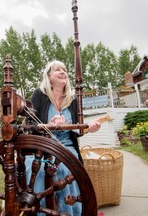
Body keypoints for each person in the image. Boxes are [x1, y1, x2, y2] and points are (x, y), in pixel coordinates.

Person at [26, 60, 101, 215]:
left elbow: (77, 129)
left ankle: (70, 211)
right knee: (38, 169)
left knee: (67, 167)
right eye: (57, 70)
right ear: (48, 76)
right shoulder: (39, 95)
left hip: (66, 147)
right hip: (42, 147)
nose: (62, 72)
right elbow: (29, 123)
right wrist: (48, 124)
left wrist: (89, 127)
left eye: (64, 69)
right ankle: (40, 211)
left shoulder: (72, 100)